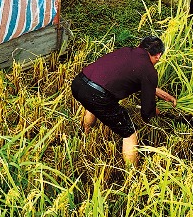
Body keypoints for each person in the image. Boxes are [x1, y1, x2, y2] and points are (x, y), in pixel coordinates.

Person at [70, 36, 177, 166]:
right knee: (130, 133)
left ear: (141, 46)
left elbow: (142, 82)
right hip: (98, 95)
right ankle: (131, 175)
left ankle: (85, 136)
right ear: (158, 55)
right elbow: (146, 112)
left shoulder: (126, 51)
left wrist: (167, 97)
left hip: (79, 83)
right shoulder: (148, 70)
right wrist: (155, 112)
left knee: (93, 105)